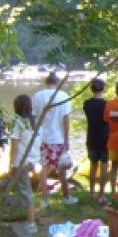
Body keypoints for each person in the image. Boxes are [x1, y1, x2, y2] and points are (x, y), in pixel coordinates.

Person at [32, 72, 73, 207]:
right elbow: (66, 119)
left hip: (42, 137)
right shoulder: (63, 96)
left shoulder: (37, 96)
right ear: (57, 82)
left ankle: (44, 199)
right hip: (58, 137)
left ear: (46, 82)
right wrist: (67, 138)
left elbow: (33, 117)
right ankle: (66, 197)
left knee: (44, 167)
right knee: (61, 168)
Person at [8, 94, 41, 234]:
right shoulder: (33, 120)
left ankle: (31, 224)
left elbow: (14, 146)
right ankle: (25, 215)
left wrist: (11, 165)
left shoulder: (18, 123)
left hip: (22, 161)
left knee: (26, 192)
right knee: (17, 188)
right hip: (33, 159)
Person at [83, 78, 109, 201]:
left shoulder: (87, 103)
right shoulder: (106, 104)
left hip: (91, 136)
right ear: (103, 89)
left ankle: (92, 192)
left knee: (93, 164)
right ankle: (102, 194)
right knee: (104, 164)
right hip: (104, 137)